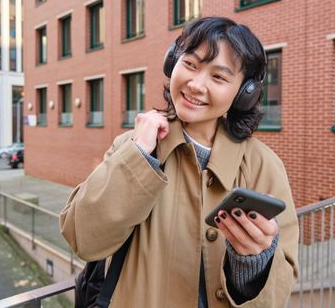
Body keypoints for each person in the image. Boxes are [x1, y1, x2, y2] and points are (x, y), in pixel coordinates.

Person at [60, 16, 299, 308]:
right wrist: (138, 156)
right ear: (172, 63)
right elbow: (82, 238)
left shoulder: (264, 165)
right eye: (190, 64)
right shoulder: (134, 145)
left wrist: (252, 265)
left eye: (219, 77)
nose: (196, 85)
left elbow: (280, 290)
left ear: (244, 93)